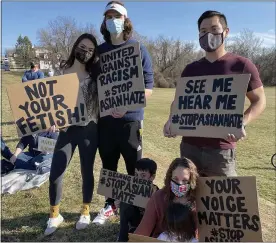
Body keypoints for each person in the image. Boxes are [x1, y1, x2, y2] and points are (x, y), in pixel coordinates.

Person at [163, 10, 266, 177]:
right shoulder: (191, 69)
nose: (208, 34)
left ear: (226, 32)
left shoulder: (242, 65)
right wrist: (171, 120)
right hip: (189, 147)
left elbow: (259, 100)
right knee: (190, 199)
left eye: (214, 29)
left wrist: (242, 122)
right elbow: (178, 102)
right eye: (203, 31)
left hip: (221, 150)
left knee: (221, 200)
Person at [93, 0, 154, 225]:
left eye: (116, 17)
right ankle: (109, 205)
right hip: (106, 122)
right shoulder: (99, 51)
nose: (112, 21)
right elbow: (90, 84)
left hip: (130, 121)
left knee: (134, 169)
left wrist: (127, 106)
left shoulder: (139, 48)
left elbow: (149, 87)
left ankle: (137, 211)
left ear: (125, 20)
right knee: (109, 166)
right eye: (108, 17)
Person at [44, 33, 100, 236]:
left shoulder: (95, 75)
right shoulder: (61, 72)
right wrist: (50, 119)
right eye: (83, 47)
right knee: (55, 172)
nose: (85, 52)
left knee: (87, 171)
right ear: (75, 46)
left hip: (89, 129)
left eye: (91, 49)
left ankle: (85, 211)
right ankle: (54, 214)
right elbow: (50, 102)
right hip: (66, 131)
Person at [134, 158, 199, 239]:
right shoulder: (158, 197)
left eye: (185, 180)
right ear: (170, 177)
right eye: (176, 179)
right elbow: (143, 231)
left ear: (191, 181)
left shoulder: (198, 201)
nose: (180, 184)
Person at [117, 158, 159, 241]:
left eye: (143, 175)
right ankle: (122, 238)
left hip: (149, 224)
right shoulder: (130, 188)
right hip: (134, 220)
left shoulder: (157, 193)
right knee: (124, 203)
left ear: (152, 177)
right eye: (136, 175)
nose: (138, 179)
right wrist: (119, 203)